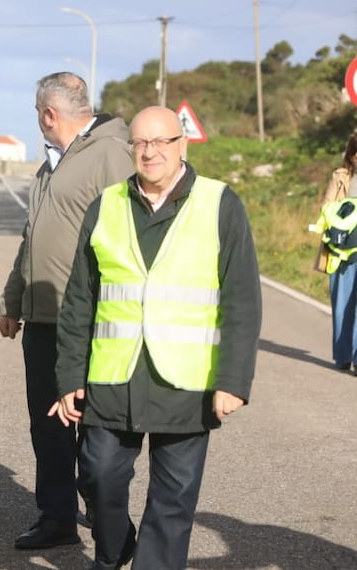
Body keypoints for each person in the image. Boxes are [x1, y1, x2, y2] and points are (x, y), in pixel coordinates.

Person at [50, 106, 261, 570]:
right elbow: (79, 300)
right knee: (99, 476)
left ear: (181, 144)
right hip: (113, 375)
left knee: (173, 500)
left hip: (186, 381)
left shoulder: (220, 203)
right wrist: (69, 376)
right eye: (140, 144)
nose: (149, 153)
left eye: (160, 142)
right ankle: (114, 548)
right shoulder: (106, 204)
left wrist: (233, 380)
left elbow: (242, 300)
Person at [0, 72, 132, 550]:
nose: (38, 122)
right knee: (49, 427)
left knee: (96, 432)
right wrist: (14, 298)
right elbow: (33, 236)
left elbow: (129, 234)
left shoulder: (111, 154)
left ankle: (108, 521)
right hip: (43, 318)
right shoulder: (51, 165)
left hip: (90, 320)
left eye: (38, 114)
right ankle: (57, 518)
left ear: (49, 114)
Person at [318, 133, 357, 371]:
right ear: (351, 156)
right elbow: (326, 207)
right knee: (342, 302)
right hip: (341, 249)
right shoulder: (341, 177)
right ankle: (343, 355)